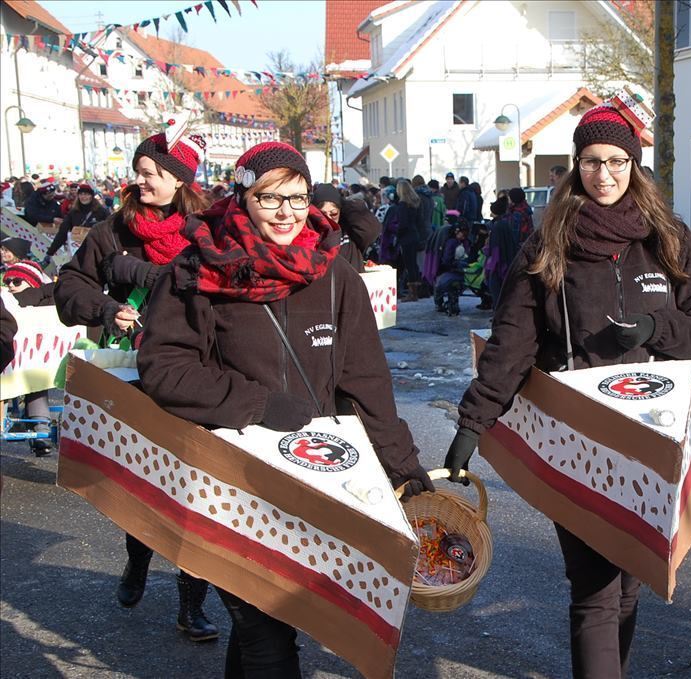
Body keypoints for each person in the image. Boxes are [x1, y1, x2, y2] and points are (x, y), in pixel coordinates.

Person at [443, 103, 691, 678]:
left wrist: (658, 328)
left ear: (635, 164)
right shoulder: (548, 245)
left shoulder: (668, 239)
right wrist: (472, 425)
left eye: (617, 161)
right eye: (592, 162)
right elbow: (511, 345)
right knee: (596, 587)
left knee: (629, 584)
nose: (605, 174)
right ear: (577, 166)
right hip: (579, 436)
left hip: (653, 437)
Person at [137, 142, 433, 678]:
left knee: (268, 627)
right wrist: (257, 404)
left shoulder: (335, 272)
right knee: (267, 633)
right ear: (242, 196)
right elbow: (163, 369)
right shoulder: (198, 268)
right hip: (225, 477)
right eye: (268, 197)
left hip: (310, 476)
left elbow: (366, 382)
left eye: (296, 198)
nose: (285, 212)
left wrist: (403, 465)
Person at [52, 127, 219, 642]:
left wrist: (146, 274)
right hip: (136, 371)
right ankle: (137, 558)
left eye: (150, 174)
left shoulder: (210, 231)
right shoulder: (112, 230)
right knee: (147, 481)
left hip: (200, 372)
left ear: (179, 181)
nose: (139, 181)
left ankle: (192, 604)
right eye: (139, 172)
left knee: (199, 491)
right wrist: (105, 306)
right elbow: (70, 286)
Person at [3, 260, 55, 456]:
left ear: (32, 284)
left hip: (34, 364)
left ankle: (41, 431)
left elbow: (58, 288)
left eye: (17, 282)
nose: (11, 287)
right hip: (8, 361)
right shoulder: (5, 301)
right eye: (7, 282)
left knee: (35, 383)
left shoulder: (45, 302)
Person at [312, 182, 380, 273]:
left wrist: (344, 203)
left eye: (333, 214)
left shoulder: (349, 232)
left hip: (352, 283)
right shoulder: (311, 234)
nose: (328, 219)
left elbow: (371, 230)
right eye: (323, 214)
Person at [45, 184, 111, 261]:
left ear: (91, 196)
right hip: (78, 249)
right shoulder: (73, 213)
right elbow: (62, 232)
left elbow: (110, 229)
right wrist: (50, 253)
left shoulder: (101, 211)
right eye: (81, 194)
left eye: (86, 194)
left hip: (96, 250)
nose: (83, 197)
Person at [394, 178, 424, 301]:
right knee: (413, 264)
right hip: (414, 234)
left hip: (406, 237)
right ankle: (416, 291)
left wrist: (397, 235)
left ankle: (412, 293)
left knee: (408, 264)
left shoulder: (402, 205)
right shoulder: (415, 203)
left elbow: (402, 224)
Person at [434, 222, 469, 316]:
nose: (464, 236)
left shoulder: (462, 242)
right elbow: (447, 260)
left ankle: (448, 304)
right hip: (451, 271)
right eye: (463, 234)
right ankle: (442, 303)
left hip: (458, 271)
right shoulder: (451, 243)